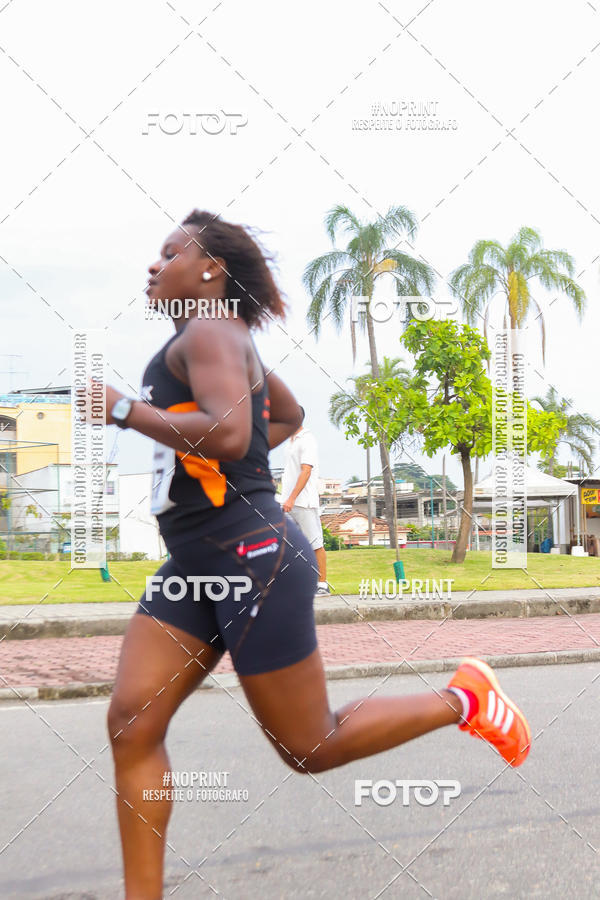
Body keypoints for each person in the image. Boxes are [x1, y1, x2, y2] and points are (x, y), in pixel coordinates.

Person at [103, 211, 531, 900]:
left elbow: (228, 427)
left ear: (209, 271)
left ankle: (465, 698)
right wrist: (223, 466)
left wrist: (127, 411)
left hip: (250, 556)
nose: (154, 266)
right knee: (132, 720)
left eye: (170, 253)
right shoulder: (210, 339)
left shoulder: (210, 331)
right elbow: (284, 418)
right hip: (195, 565)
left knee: (309, 746)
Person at [281, 415, 329, 595]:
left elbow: (306, 471)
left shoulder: (307, 440)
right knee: (289, 543)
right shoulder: (290, 442)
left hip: (303, 502)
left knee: (315, 542)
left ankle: (322, 584)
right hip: (287, 502)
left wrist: (292, 498)